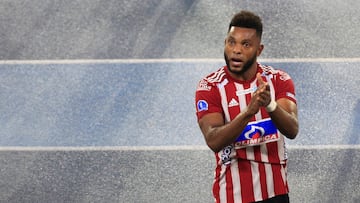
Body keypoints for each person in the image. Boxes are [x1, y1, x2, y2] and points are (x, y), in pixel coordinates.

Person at [195, 10, 299, 203]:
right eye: (231, 42)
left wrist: (270, 104)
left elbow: (292, 129)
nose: (236, 50)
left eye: (246, 44)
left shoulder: (278, 79)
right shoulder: (210, 86)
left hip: (275, 193)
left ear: (259, 50)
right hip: (232, 195)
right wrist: (249, 112)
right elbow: (213, 140)